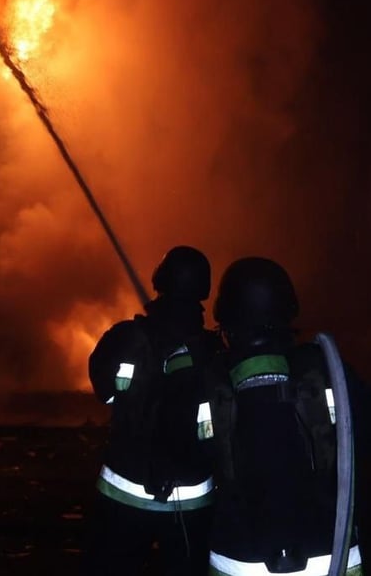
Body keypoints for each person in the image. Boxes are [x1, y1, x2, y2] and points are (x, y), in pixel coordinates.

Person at [204, 257, 371, 576]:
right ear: (288, 308)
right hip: (330, 555)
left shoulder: (212, 379)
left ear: (226, 318)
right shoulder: (326, 368)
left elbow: (185, 458)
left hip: (239, 561)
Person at [81, 246, 223, 576]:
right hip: (191, 502)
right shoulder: (215, 352)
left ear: (160, 282)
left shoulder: (125, 338)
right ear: (203, 290)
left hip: (122, 494)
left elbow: (103, 391)